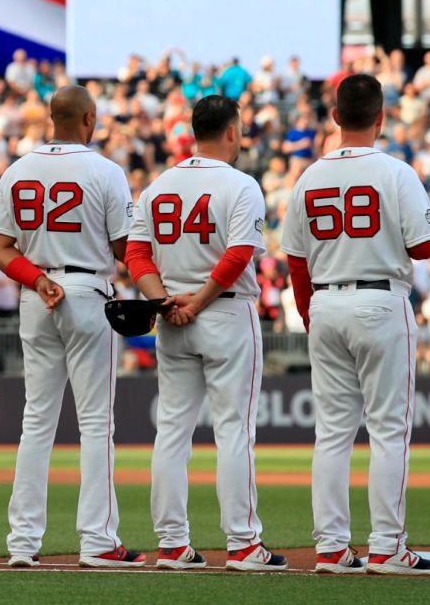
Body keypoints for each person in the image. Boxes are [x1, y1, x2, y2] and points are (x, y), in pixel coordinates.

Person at [282, 73, 430, 575]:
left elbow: (295, 260)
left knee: (331, 433)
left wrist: (310, 314)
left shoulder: (308, 176)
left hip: (326, 303)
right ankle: (387, 546)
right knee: (388, 430)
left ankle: (330, 547)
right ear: (381, 116)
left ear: (334, 117)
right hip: (379, 300)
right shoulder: (396, 172)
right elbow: (425, 247)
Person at [0, 85, 143, 568]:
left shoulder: (19, 168)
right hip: (88, 292)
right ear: (90, 118)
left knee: (36, 420)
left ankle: (22, 543)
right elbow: (124, 249)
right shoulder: (105, 171)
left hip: (38, 296)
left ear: (52, 118)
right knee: (96, 423)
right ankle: (97, 540)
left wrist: (37, 280)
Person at [127, 95, 287, 571]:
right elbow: (238, 256)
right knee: (234, 430)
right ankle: (241, 544)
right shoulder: (241, 184)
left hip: (173, 316)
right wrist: (195, 303)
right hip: (222, 312)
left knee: (172, 432)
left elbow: (137, 255)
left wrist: (166, 302)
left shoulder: (158, 186)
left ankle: (172, 544)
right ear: (232, 132)